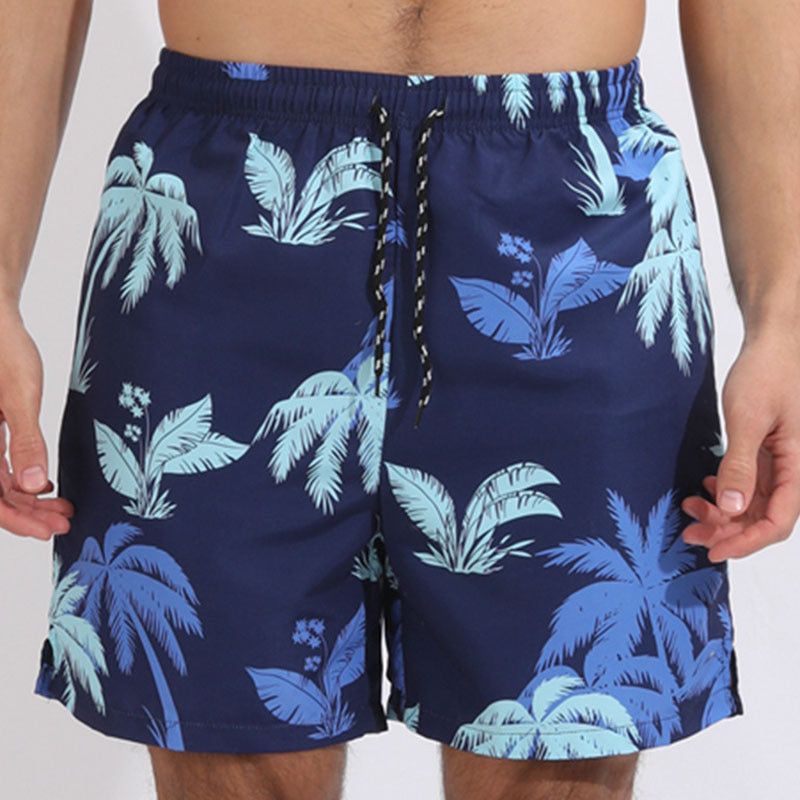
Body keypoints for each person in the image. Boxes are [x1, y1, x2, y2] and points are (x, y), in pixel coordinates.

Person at [3, 0, 798, 798]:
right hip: (225, 208)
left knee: (557, 758)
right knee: (231, 764)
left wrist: (782, 316)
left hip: (573, 233)